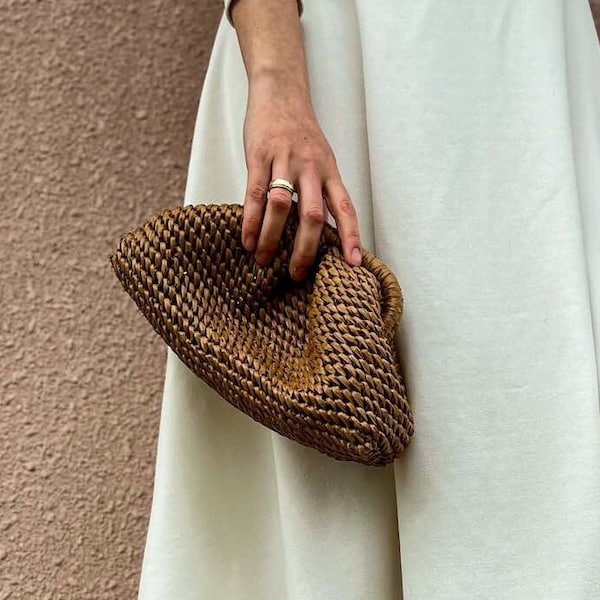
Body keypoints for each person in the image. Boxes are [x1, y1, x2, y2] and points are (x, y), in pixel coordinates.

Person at [138, 1, 600, 598]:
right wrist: (278, 85)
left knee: (521, 450)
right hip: (317, 63)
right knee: (331, 511)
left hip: (523, 75)